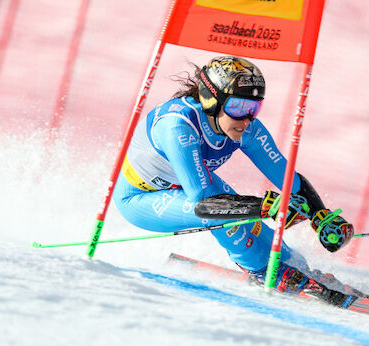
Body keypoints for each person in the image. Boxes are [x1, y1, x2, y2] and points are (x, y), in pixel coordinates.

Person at [113, 55, 356, 304]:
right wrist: (264, 207)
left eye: (254, 108)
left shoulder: (245, 127)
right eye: (239, 107)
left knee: (254, 226)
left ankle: (295, 267)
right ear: (211, 100)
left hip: (194, 188)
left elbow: (286, 177)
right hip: (142, 198)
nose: (247, 119)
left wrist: (320, 215)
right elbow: (204, 202)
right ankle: (263, 272)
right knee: (226, 216)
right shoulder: (178, 126)